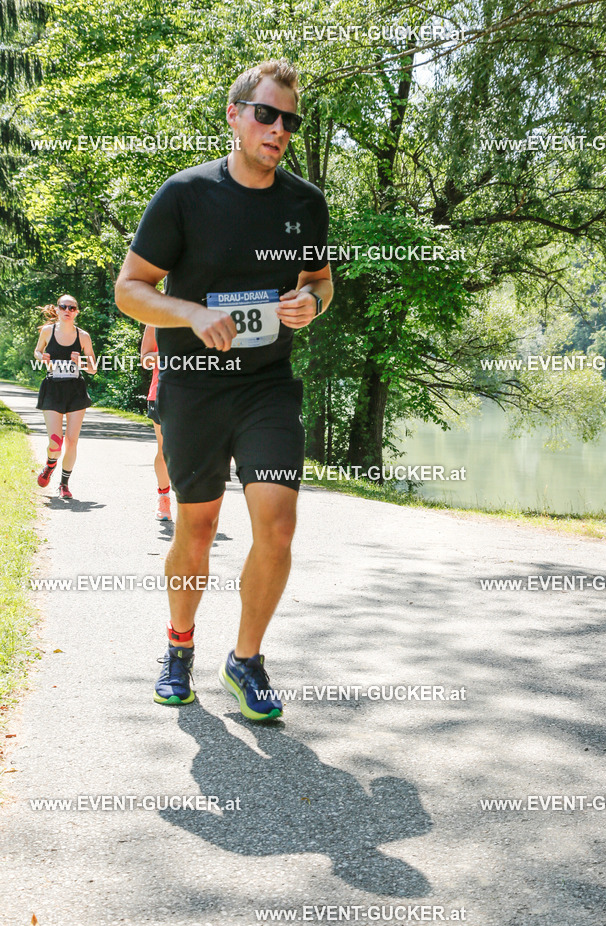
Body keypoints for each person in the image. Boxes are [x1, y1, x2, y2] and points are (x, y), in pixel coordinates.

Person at [115, 59, 332, 715]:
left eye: (288, 120)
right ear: (235, 115)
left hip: (265, 384)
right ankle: (178, 648)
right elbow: (130, 289)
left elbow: (319, 282)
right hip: (194, 384)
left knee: (277, 522)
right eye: (265, 114)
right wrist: (190, 313)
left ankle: (245, 661)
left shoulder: (304, 203)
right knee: (199, 524)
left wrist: (310, 306)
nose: (278, 129)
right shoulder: (184, 194)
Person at [34, 295, 96, 498]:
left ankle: (64, 484)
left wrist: (82, 362)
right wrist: (40, 356)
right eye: (63, 307)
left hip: (75, 390)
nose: (67, 310)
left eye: (72, 307)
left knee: (71, 440)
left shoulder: (83, 336)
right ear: (58, 310)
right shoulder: (47, 332)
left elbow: (93, 369)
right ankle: (51, 464)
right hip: (52, 388)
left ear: (76, 311)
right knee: (55, 441)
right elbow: (37, 351)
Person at [140, 324, 173, 521]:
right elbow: (145, 359)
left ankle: (192, 502)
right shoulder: (154, 320)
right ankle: (164, 497)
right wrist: (167, 357)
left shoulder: (198, 312)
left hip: (195, 393)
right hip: (161, 392)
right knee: (164, 450)